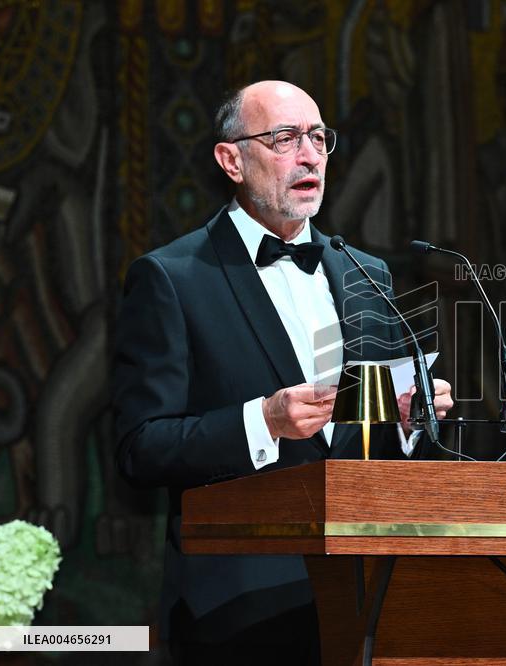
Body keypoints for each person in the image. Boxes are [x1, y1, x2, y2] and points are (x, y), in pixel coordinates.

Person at [111, 80, 453, 664]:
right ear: (231, 160)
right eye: (285, 138)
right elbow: (141, 448)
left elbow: (359, 440)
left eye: (319, 138)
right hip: (240, 605)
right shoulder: (172, 277)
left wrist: (406, 419)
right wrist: (263, 422)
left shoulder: (366, 273)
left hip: (368, 594)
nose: (310, 154)